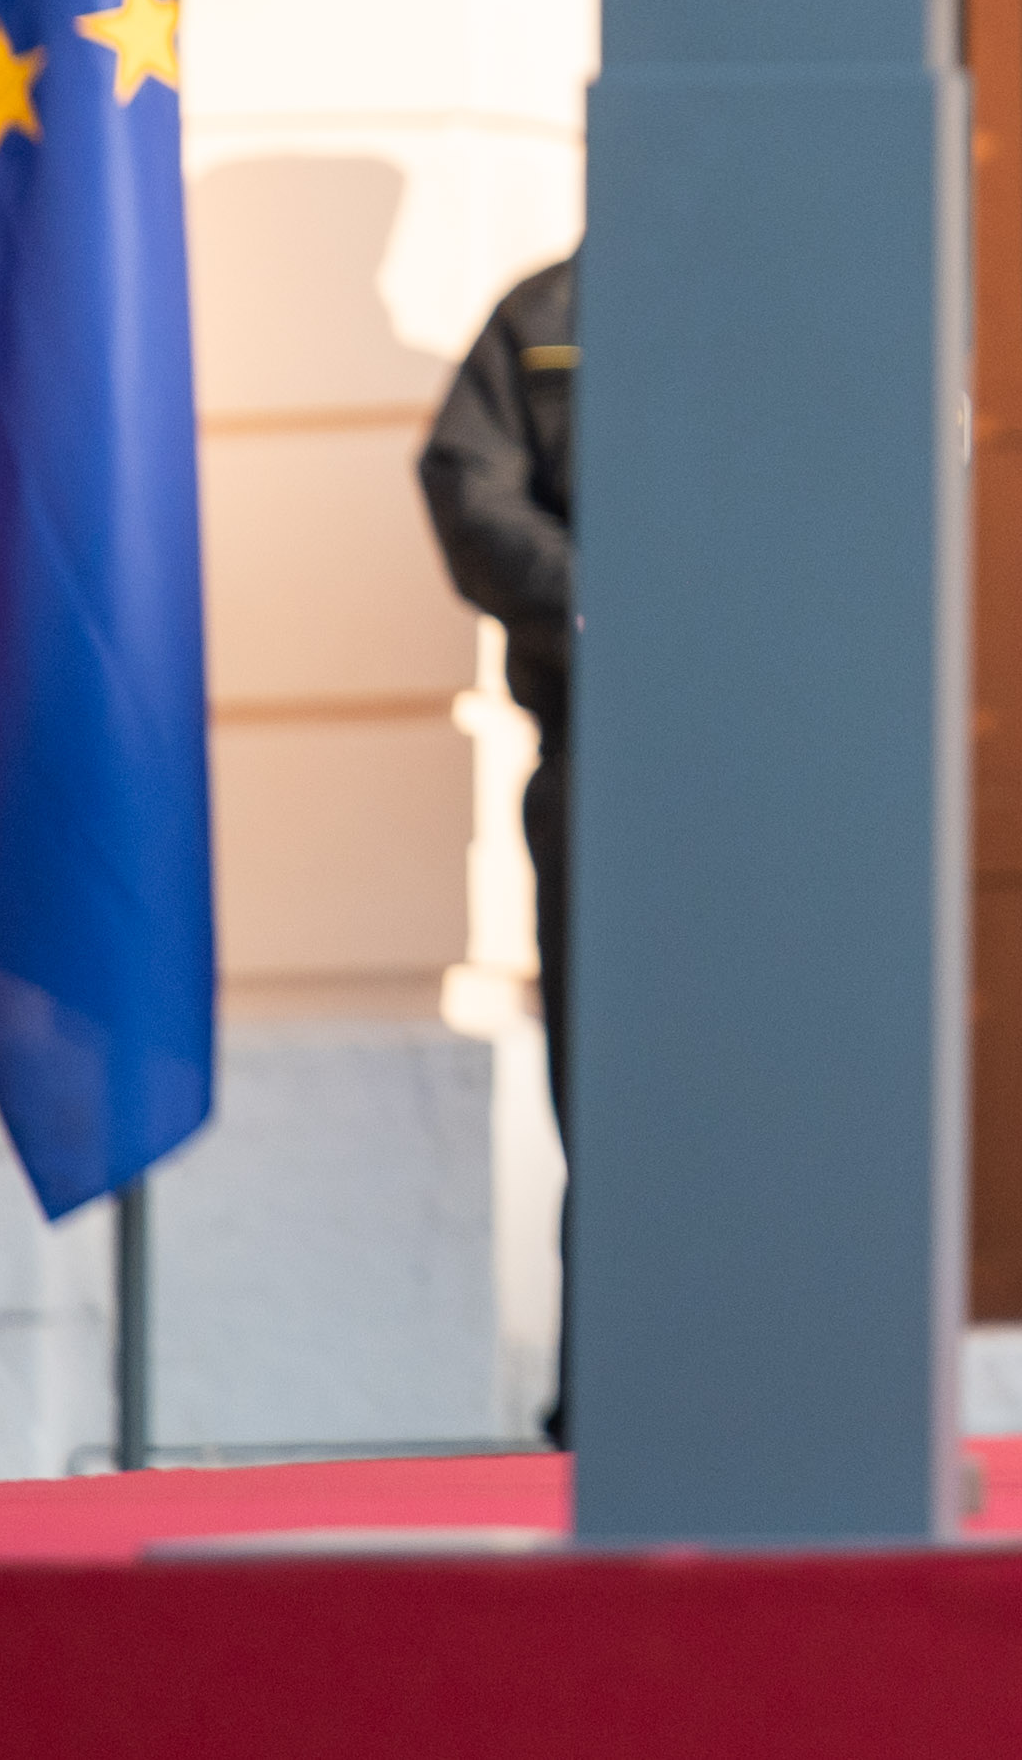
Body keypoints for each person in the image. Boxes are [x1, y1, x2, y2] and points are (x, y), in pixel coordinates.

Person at [416, 248, 580, 1444]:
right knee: (611, 1084)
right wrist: (608, 596)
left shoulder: (787, 298)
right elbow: (467, 488)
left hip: (777, 758)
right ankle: (613, 1393)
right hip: (606, 754)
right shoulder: (544, 317)